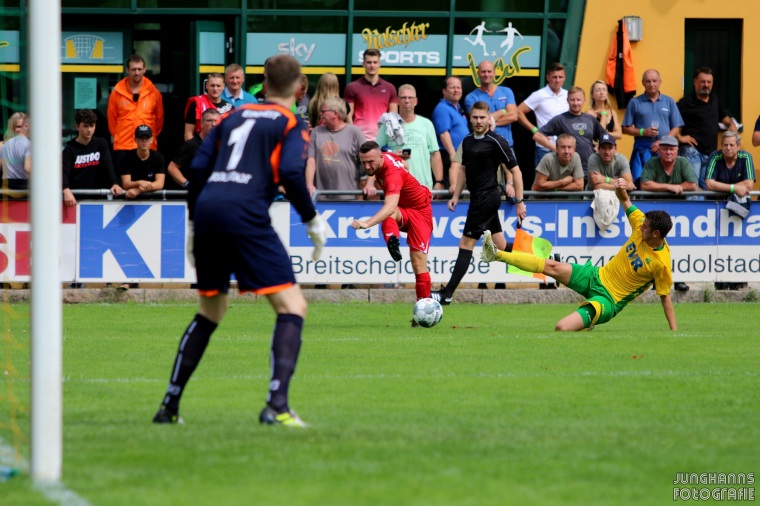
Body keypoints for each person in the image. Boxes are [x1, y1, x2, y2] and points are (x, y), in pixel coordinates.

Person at [152, 54, 327, 428]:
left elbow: (197, 169)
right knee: (292, 306)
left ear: (262, 84)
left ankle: (169, 406)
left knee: (210, 312)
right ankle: (276, 406)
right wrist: (311, 221)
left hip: (210, 211)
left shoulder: (231, 116)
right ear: (298, 89)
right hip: (245, 212)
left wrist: (194, 223)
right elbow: (293, 173)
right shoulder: (292, 121)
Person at [480, 179, 678, 332]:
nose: (641, 226)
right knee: (552, 266)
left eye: (645, 228)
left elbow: (665, 297)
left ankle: (586, 321)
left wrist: (673, 332)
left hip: (608, 300)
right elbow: (623, 198)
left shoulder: (661, 264)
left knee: (562, 328)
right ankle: (496, 255)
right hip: (595, 275)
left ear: (656, 234)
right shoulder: (640, 223)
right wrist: (620, 186)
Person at [431, 101, 526, 306]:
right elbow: (464, 170)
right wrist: (456, 195)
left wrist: (519, 202)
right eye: (475, 117)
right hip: (477, 198)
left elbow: (516, 171)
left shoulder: (497, 141)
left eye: (482, 117)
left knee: (465, 244)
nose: (479, 121)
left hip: (487, 198)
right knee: (500, 247)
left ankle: (447, 293)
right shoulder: (466, 141)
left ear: (489, 118)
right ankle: (545, 258)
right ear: (470, 118)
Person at [351, 141, 434, 321]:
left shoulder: (392, 175)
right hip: (403, 209)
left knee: (418, 263)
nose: (367, 166)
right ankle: (392, 242)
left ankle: (423, 310)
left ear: (380, 157)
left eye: (370, 162)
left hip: (420, 212)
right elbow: (404, 164)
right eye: (363, 162)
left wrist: (367, 224)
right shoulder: (387, 157)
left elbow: (389, 206)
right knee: (389, 215)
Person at [640, 135, 696, 292]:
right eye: (665, 149)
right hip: (656, 214)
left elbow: (692, 185)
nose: (668, 152)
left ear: (677, 150)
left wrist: (680, 187)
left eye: (672, 149)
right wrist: (669, 187)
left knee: (678, 247)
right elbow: (644, 184)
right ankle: (654, 281)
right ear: (659, 150)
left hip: (680, 213)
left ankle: (678, 280)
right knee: (654, 248)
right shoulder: (652, 162)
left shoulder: (683, 162)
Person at [705, 130, 755, 290]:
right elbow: (709, 184)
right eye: (725, 145)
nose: (728, 148)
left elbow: (749, 185)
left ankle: (740, 279)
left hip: (740, 209)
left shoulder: (746, 157)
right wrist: (734, 188)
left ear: (738, 146)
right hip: (717, 207)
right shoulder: (715, 157)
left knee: (739, 242)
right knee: (717, 243)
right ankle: (719, 279)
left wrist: (727, 188)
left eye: (731, 145)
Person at [375, 84, 444, 191]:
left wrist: (439, 181)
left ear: (416, 101)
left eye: (410, 98)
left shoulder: (426, 124)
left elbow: (435, 154)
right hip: (395, 187)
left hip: (422, 186)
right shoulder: (387, 125)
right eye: (403, 98)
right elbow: (375, 154)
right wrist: (392, 156)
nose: (407, 101)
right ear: (397, 101)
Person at [676, 67, 735, 191]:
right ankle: (691, 211)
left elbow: (723, 117)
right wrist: (681, 138)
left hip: (710, 154)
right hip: (692, 152)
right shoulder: (685, 103)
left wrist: (731, 124)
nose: (706, 85)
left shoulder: (714, 100)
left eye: (709, 82)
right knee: (692, 189)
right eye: (702, 82)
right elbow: (673, 124)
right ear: (695, 82)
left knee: (710, 190)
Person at [621, 69, 684, 185]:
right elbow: (625, 128)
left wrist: (662, 142)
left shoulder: (669, 101)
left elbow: (676, 127)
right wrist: (642, 132)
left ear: (660, 82)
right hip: (643, 151)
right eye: (648, 81)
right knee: (642, 184)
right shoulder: (635, 102)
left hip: (665, 152)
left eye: (654, 81)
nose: (651, 84)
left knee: (666, 184)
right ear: (643, 83)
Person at [533, 86, 606, 180]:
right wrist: (555, 149)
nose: (576, 103)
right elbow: (537, 135)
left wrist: (597, 148)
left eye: (578, 100)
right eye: (572, 100)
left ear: (584, 100)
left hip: (589, 168)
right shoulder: (560, 119)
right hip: (568, 170)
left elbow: (605, 138)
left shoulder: (590, 119)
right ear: (567, 100)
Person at [305, 97, 370, 200]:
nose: (320, 114)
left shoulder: (355, 132)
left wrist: (369, 184)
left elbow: (370, 160)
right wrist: (309, 184)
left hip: (348, 198)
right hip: (320, 197)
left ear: (335, 113)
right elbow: (311, 161)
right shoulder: (316, 132)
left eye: (323, 111)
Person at [107, 54, 164, 167]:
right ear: (127, 70)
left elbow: (159, 121)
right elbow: (112, 120)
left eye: (139, 69)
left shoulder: (154, 93)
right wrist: (120, 136)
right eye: (133, 69)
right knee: (124, 183)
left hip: (146, 147)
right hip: (123, 146)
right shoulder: (116, 93)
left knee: (146, 183)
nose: (136, 72)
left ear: (144, 70)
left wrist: (148, 139)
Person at [62, 109, 123, 206]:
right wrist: (66, 190)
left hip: (99, 197)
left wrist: (115, 183)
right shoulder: (69, 150)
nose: (89, 130)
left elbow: (109, 166)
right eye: (85, 126)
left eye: (92, 126)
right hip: (76, 199)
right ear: (77, 126)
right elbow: (64, 173)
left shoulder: (101, 144)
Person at [516, 63, 569, 167]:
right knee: (542, 182)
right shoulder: (539, 95)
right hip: (545, 148)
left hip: (565, 148)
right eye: (554, 77)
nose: (557, 80)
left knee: (565, 182)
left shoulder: (568, 95)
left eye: (560, 77)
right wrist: (535, 130)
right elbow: (518, 112)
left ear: (564, 78)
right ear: (548, 77)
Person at [344, 48, 398, 140]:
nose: (372, 65)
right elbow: (348, 114)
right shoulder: (352, 87)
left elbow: (393, 116)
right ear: (363, 64)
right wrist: (353, 135)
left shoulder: (390, 88)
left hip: (382, 140)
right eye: (369, 62)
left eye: (375, 62)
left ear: (379, 64)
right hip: (360, 139)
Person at [464, 60, 518, 148]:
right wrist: (503, 111)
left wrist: (491, 122)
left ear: (494, 73)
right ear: (477, 74)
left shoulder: (506, 91)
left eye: (489, 71)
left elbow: (514, 116)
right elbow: (477, 122)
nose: (486, 74)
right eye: (483, 72)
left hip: (506, 146)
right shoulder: (471, 97)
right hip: (484, 146)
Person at [167, 108, 220, 190]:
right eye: (209, 120)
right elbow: (172, 168)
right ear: (201, 123)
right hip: (197, 194)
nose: (213, 124)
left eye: (216, 121)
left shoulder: (223, 145)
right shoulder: (191, 145)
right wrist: (187, 184)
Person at [432, 76, 469, 190]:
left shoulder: (457, 108)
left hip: (462, 156)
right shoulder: (442, 109)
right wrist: (453, 155)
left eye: (458, 87)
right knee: (454, 191)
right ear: (444, 91)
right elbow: (443, 133)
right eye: (452, 87)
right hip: (450, 156)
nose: (456, 90)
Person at [119, 125, 166, 199]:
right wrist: (140, 182)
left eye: (147, 138)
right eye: (141, 138)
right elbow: (126, 184)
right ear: (135, 140)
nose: (144, 141)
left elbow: (160, 184)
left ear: (152, 140)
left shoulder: (158, 157)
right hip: (130, 197)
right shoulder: (126, 157)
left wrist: (139, 190)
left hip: (153, 199)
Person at [183, 72, 233, 140]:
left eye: (218, 86)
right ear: (206, 85)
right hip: (200, 146)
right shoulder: (196, 104)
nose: (215, 89)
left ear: (223, 87)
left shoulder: (230, 108)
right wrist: (195, 149)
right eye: (212, 85)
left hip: (221, 147)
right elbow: (188, 134)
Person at [1, 113, 30, 190]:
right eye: (19, 126)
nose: (22, 129)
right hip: (11, 188)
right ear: (12, 127)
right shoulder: (2, 145)